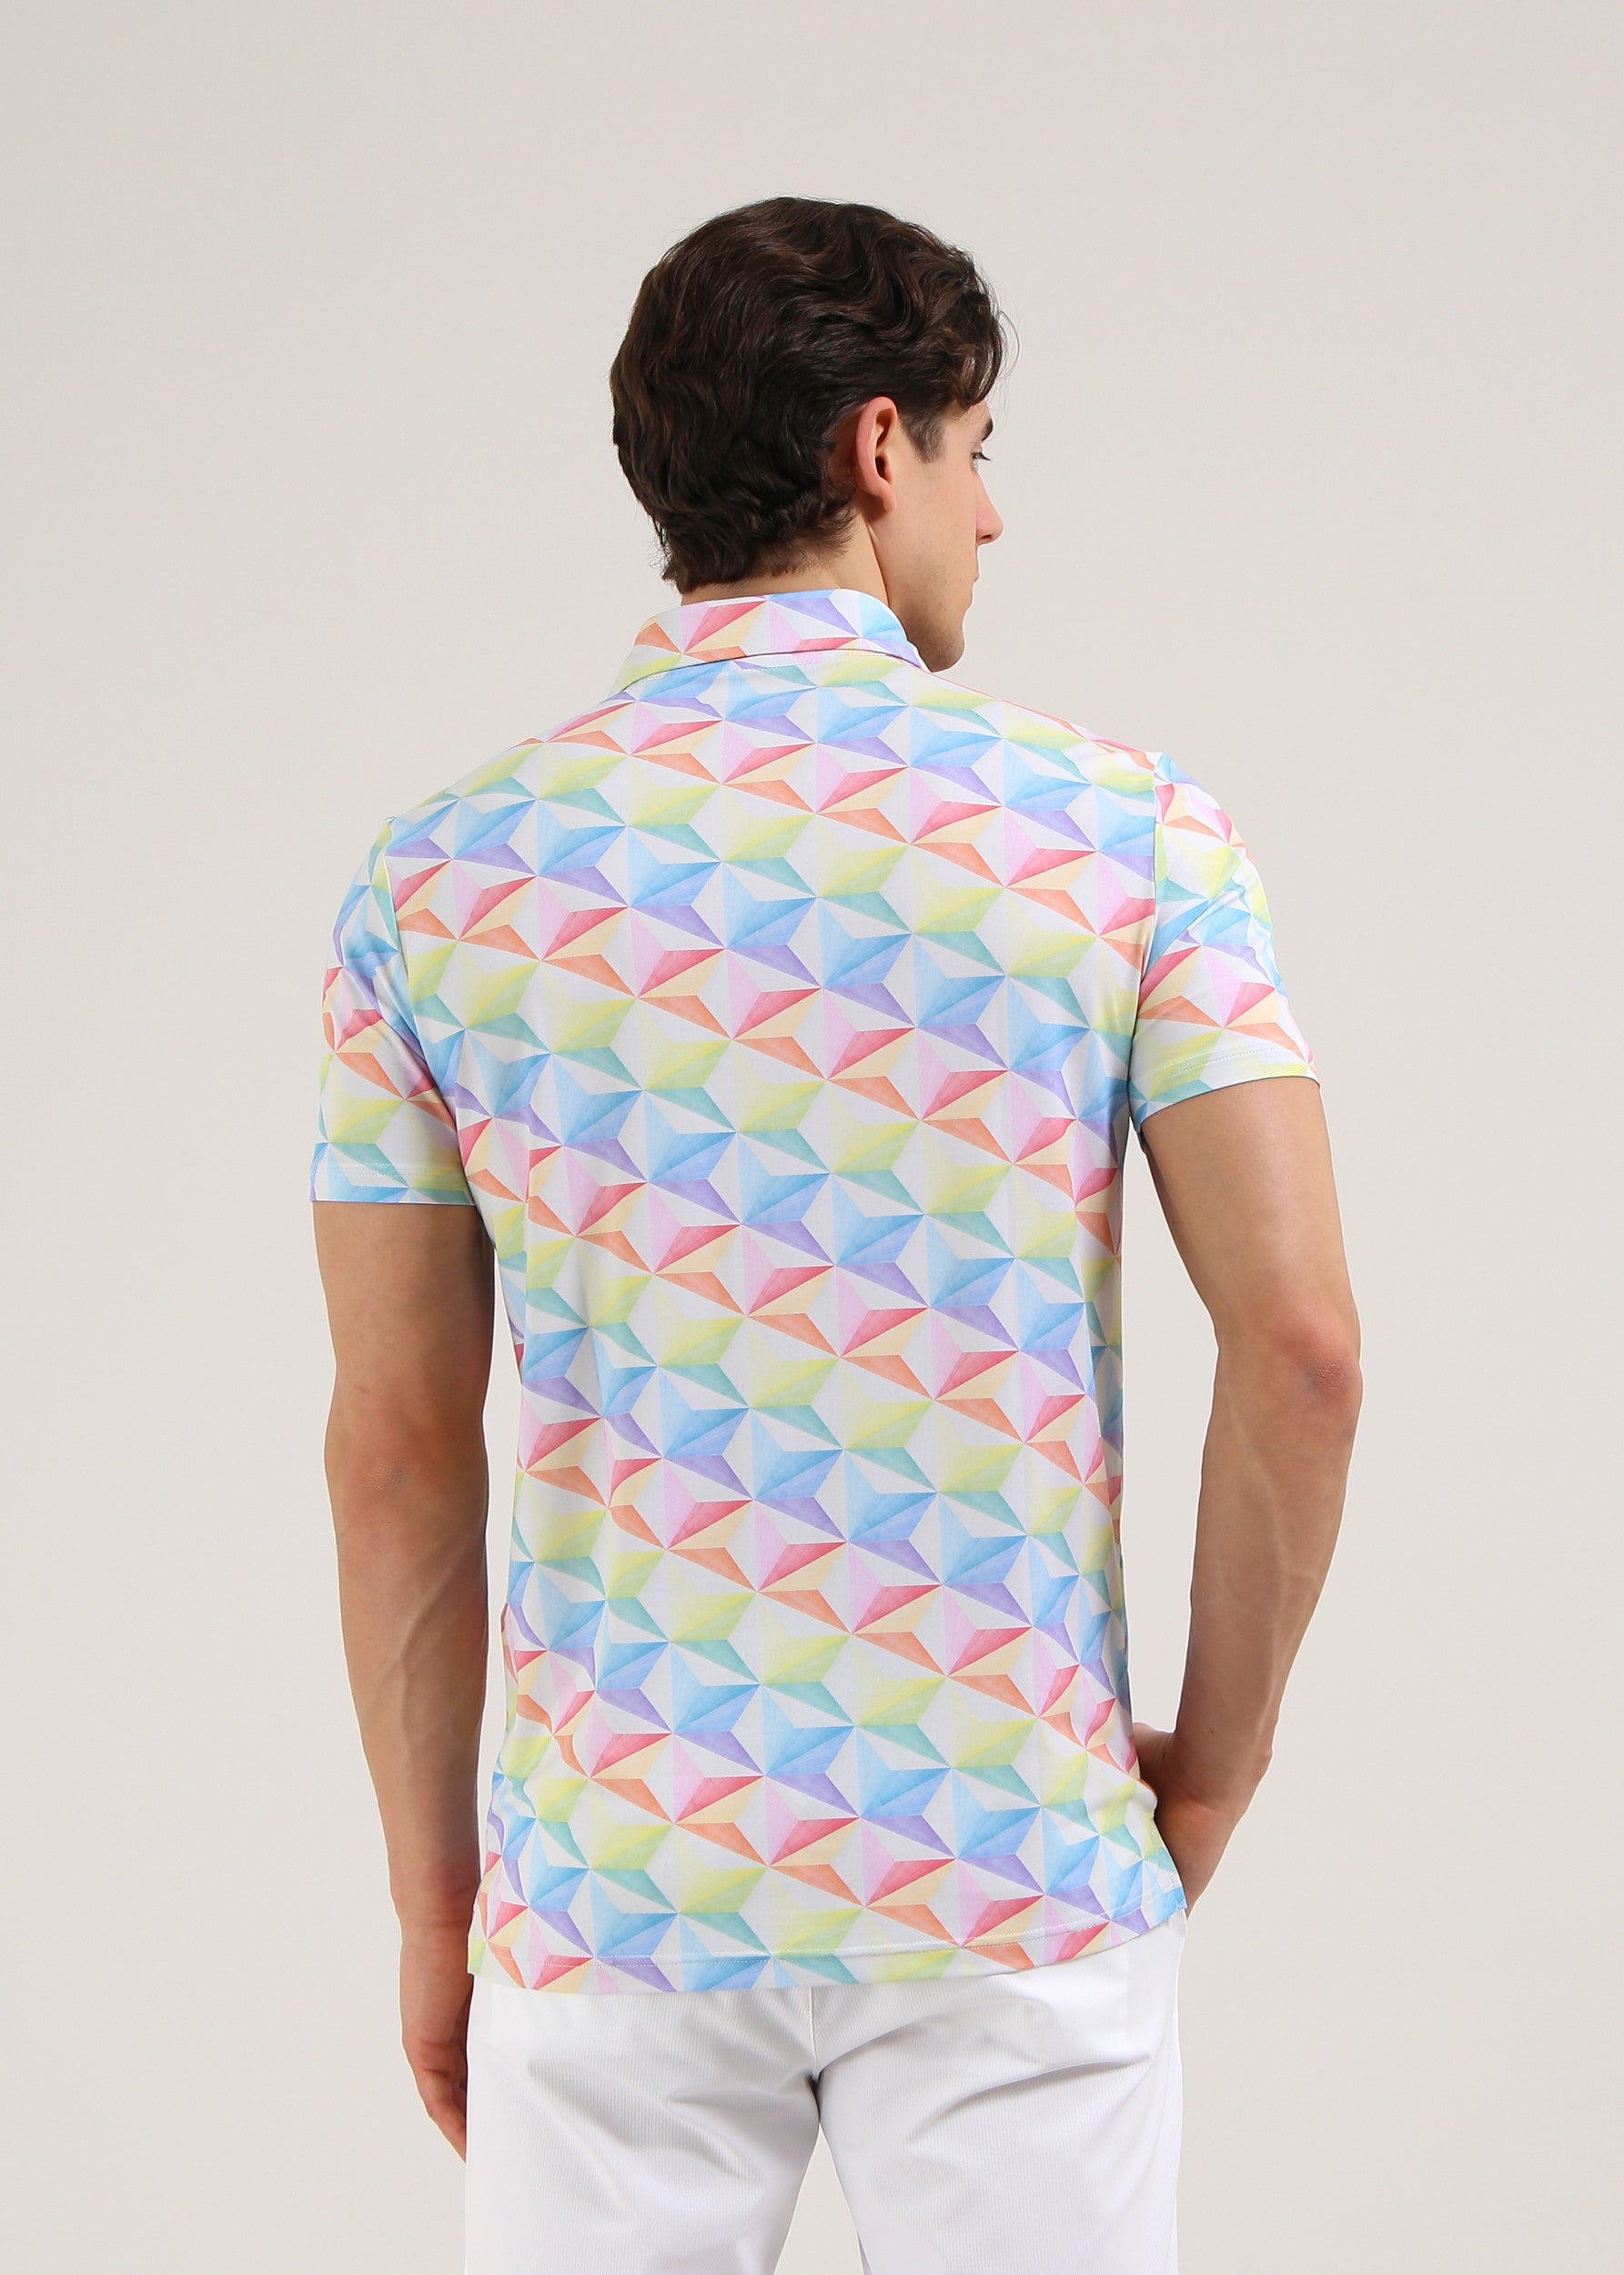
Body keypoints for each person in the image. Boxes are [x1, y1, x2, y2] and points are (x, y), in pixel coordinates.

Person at [311, 196, 1361, 2275]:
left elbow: (398, 1449)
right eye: (977, 451)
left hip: (617, 1889)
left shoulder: (434, 884)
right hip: (1011, 1862)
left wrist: (440, 1898)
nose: (992, 511)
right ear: (879, 447)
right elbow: (1304, 1345)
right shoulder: (1129, 834)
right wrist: (1206, 1773)